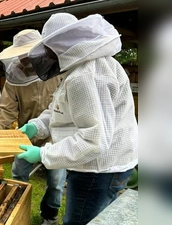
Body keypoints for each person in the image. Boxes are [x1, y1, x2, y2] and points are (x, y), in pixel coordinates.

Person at [17, 13, 138, 225]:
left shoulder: (83, 76)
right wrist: (36, 126)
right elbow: (61, 110)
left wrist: (44, 154)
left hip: (98, 171)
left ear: (59, 44)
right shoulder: (86, 66)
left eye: (47, 47)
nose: (45, 53)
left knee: (79, 221)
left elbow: (94, 140)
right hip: (106, 166)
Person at [0, 29, 64, 225]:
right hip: (25, 135)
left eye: (27, 53)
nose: (23, 59)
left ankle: (50, 216)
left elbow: (60, 108)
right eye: (20, 54)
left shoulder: (57, 71)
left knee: (56, 182)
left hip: (55, 136)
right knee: (18, 176)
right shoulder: (14, 78)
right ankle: (16, 212)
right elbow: (6, 111)